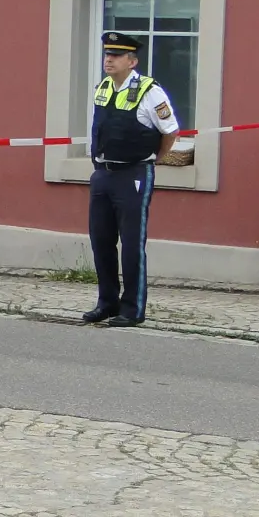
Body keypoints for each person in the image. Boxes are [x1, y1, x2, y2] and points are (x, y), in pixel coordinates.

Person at [81, 31, 180, 327]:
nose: (108, 59)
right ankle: (107, 302)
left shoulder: (150, 91)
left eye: (116, 55)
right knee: (101, 241)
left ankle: (133, 309)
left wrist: (155, 159)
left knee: (132, 244)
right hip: (103, 173)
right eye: (107, 54)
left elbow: (170, 131)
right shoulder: (104, 87)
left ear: (132, 61)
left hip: (133, 173)